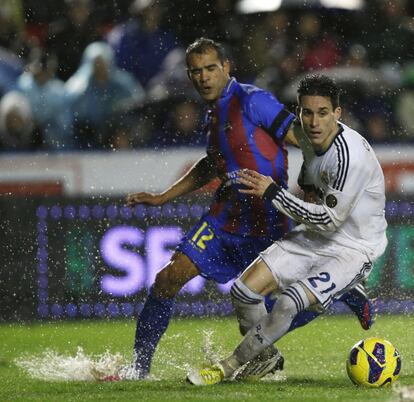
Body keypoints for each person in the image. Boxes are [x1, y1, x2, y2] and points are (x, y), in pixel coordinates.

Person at [125, 39, 375, 380]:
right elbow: (213, 164)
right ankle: (138, 370)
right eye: (196, 71)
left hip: (267, 218)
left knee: (277, 306)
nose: (204, 77)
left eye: (211, 68)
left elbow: (306, 138)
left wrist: (319, 185)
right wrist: (163, 197)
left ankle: (341, 292)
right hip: (225, 216)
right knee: (167, 278)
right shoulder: (214, 113)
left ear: (227, 67)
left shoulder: (253, 100)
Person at [186, 74, 387, 385]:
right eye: (307, 112)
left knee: (288, 302)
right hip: (316, 233)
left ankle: (229, 365)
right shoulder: (310, 138)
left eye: (322, 113)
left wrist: (273, 193)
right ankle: (265, 358)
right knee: (243, 291)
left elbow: (330, 219)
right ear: (299, 112)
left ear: (338, 114)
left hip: (353, 247)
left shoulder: (351, 157)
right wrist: (300, 193)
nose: (314, 121)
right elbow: (310, 177)